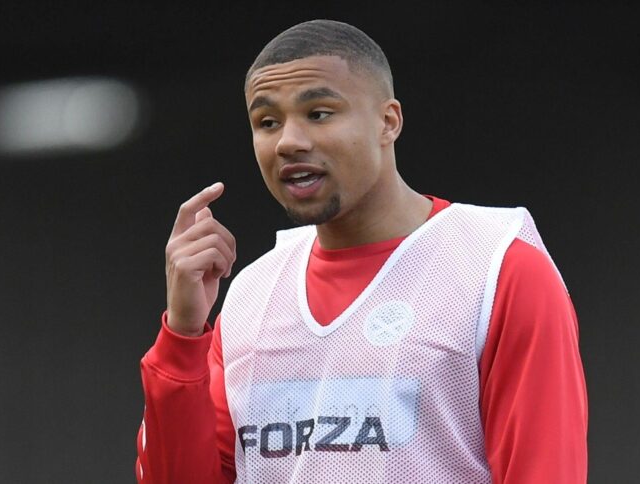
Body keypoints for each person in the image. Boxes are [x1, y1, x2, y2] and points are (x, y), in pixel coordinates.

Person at [136, 19, 587, 484]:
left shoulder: (498, 270)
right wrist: (184, 337)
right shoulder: (252, 296)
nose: (289, 141)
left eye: (319, 113)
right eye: (267, 122)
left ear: (388, 122)